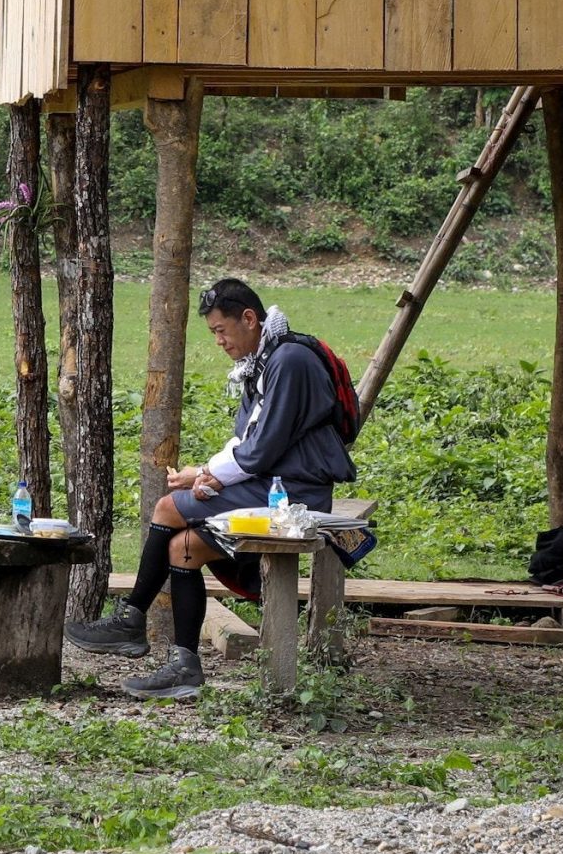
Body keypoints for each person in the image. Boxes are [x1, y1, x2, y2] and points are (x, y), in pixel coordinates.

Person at [66, 277, 356, 701]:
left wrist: (204, 472)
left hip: (294, 495)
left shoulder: (289, 361)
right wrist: (208, 475)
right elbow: (246, 439)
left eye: (221, 330)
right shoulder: (264, 361)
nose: (219, 341)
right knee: (184, 547)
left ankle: (130, 621)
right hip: (271, 483)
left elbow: (262, 448)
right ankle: (184, 667)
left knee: (167, 508)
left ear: (250, 319)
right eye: (213, 333)